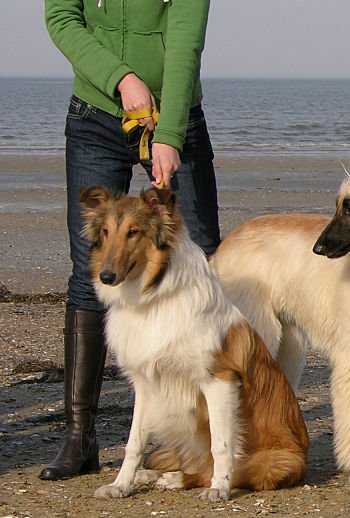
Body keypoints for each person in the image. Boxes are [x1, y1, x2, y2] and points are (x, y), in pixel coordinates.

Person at [41, 0, 221, 481]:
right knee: (91, 271)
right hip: (94, 112)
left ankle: (209, 433)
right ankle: (80, 437)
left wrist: (170, 132)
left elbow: (185, 38)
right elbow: (61, 16)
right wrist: (121, 78)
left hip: (174, 111)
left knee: (202, 258)